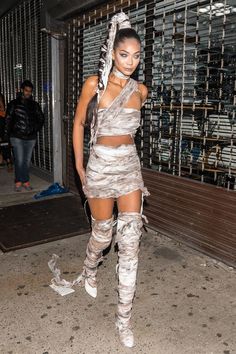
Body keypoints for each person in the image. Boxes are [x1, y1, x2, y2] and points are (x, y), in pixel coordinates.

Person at [48, 12, 149, 348]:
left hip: (129, 168)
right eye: (124, 54)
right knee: (103, 234)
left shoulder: (141, 91)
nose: (131, 62)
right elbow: (78, 123)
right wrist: (78, 166)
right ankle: (90, 268)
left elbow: (131, 133)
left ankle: (123, 319)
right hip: (101, 166)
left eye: (136, 56)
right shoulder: (96, 84)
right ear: (113, 52)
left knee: (131, 241)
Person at [4, 80, 44, 191]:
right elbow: (8, 120)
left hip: (31, 137)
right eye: (26, 90)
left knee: (26, 161)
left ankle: (25, 181)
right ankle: (18, 181)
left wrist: (33, 129)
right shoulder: (13, 104)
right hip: (16, 136)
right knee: (19, 160)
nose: (28, 93)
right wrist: (6, 136)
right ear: (22, 90)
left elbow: (41, 119)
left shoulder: (34, 105)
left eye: (30, 91)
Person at [0, 93, 13, 170]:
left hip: (2, 119)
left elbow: (2, 107)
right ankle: (5, 161)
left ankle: (7, 161)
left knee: (4, 143)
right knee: (4, 143)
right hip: (2, 119)